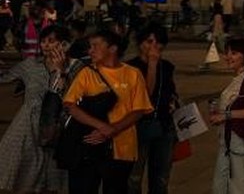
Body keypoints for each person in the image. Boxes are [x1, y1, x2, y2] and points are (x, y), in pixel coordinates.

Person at [62, 28, 154, 194]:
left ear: (112, 48)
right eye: (89, 47)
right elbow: (70, 105)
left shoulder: (132, 74)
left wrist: (114, 129)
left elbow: (139, 109)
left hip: (123, 148)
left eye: (95, 46)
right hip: (91, 144)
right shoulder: (86, 73)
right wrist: (103, 127)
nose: (90, 51)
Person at [0, 22, 70, 192]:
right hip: (28, 123)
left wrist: (61, 71)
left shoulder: (73, 67)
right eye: (43, 41)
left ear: (63, 44)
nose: (46, 45)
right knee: (24, 170)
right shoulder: (30, 65)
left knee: (53, 174)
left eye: (51, 40)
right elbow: (5, 78)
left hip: (56, 124)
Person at [205, 36, 244, 194]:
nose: (228, 57)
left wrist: (226, 115)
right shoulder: (239, 78)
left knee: (240, 186)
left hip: (241, 144)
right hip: (229, 143)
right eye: (227, 53)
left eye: (233, 53)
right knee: (221, 186)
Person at [126, 23, 179, 194]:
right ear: (140, 43)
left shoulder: (168, 66)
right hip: (138, 127)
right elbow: (146, 94)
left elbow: (170, 91)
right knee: (134, 178)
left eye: (158, 43)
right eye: (149, 41)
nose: (153, 46)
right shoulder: (130, 67)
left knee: (160, 178)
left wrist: (173, 101)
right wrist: (152, 65)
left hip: (163, 126)